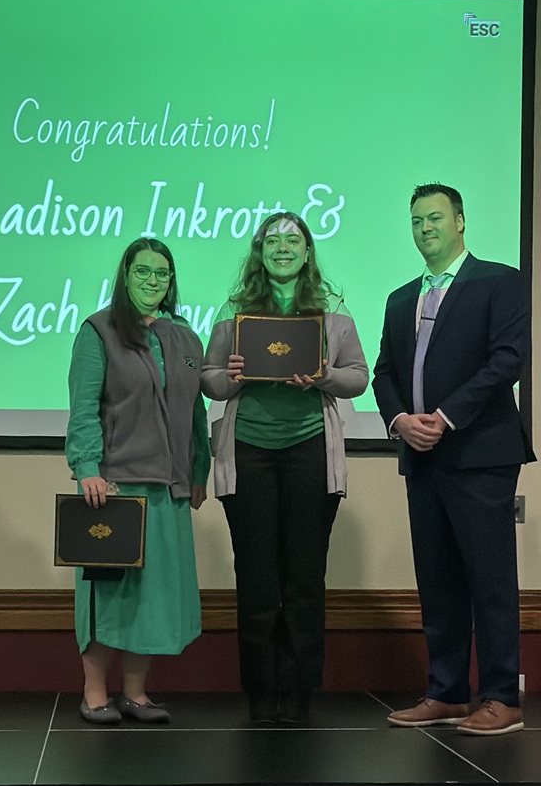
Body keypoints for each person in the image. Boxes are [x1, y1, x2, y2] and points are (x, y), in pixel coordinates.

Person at [373, 183, 535, 735]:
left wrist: (444, 416)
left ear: (461, 221)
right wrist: (401, 421)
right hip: (420, 456)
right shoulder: (400, 299)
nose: (425, 228)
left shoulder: (500, 281)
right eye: (416, 220)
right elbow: (384, 375)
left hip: (479, 453)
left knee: (489, 578)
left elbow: (507, 361)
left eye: (435, 218)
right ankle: (446, 692)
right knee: (437, 580)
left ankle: (500, 698)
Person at [202, 211, 368, 724]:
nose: (282, 248)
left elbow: (358, 377)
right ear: (259, 251)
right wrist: (230, 377)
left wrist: (322, 376)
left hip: (310, 453)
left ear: (307, 251)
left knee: (303, 577)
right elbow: (209, 379)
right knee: (255, 576)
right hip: (247, 451)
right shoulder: (234, 312)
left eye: (292, 240)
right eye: (272, 240)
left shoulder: (333, 312)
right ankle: (260, 689)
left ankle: (298, 692)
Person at [66, 237, 210, 724]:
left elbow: (195, 411)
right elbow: (84, 410)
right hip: (117, 490)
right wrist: (87, 468)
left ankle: (135, 692)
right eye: (143, 271)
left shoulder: (185, 336)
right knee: (111, 599)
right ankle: (94, 693)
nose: (153, 281)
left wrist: (198, 470)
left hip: (168, 489)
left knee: (153, 600)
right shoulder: (98, 331)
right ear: (125, 275)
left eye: (162, 273)